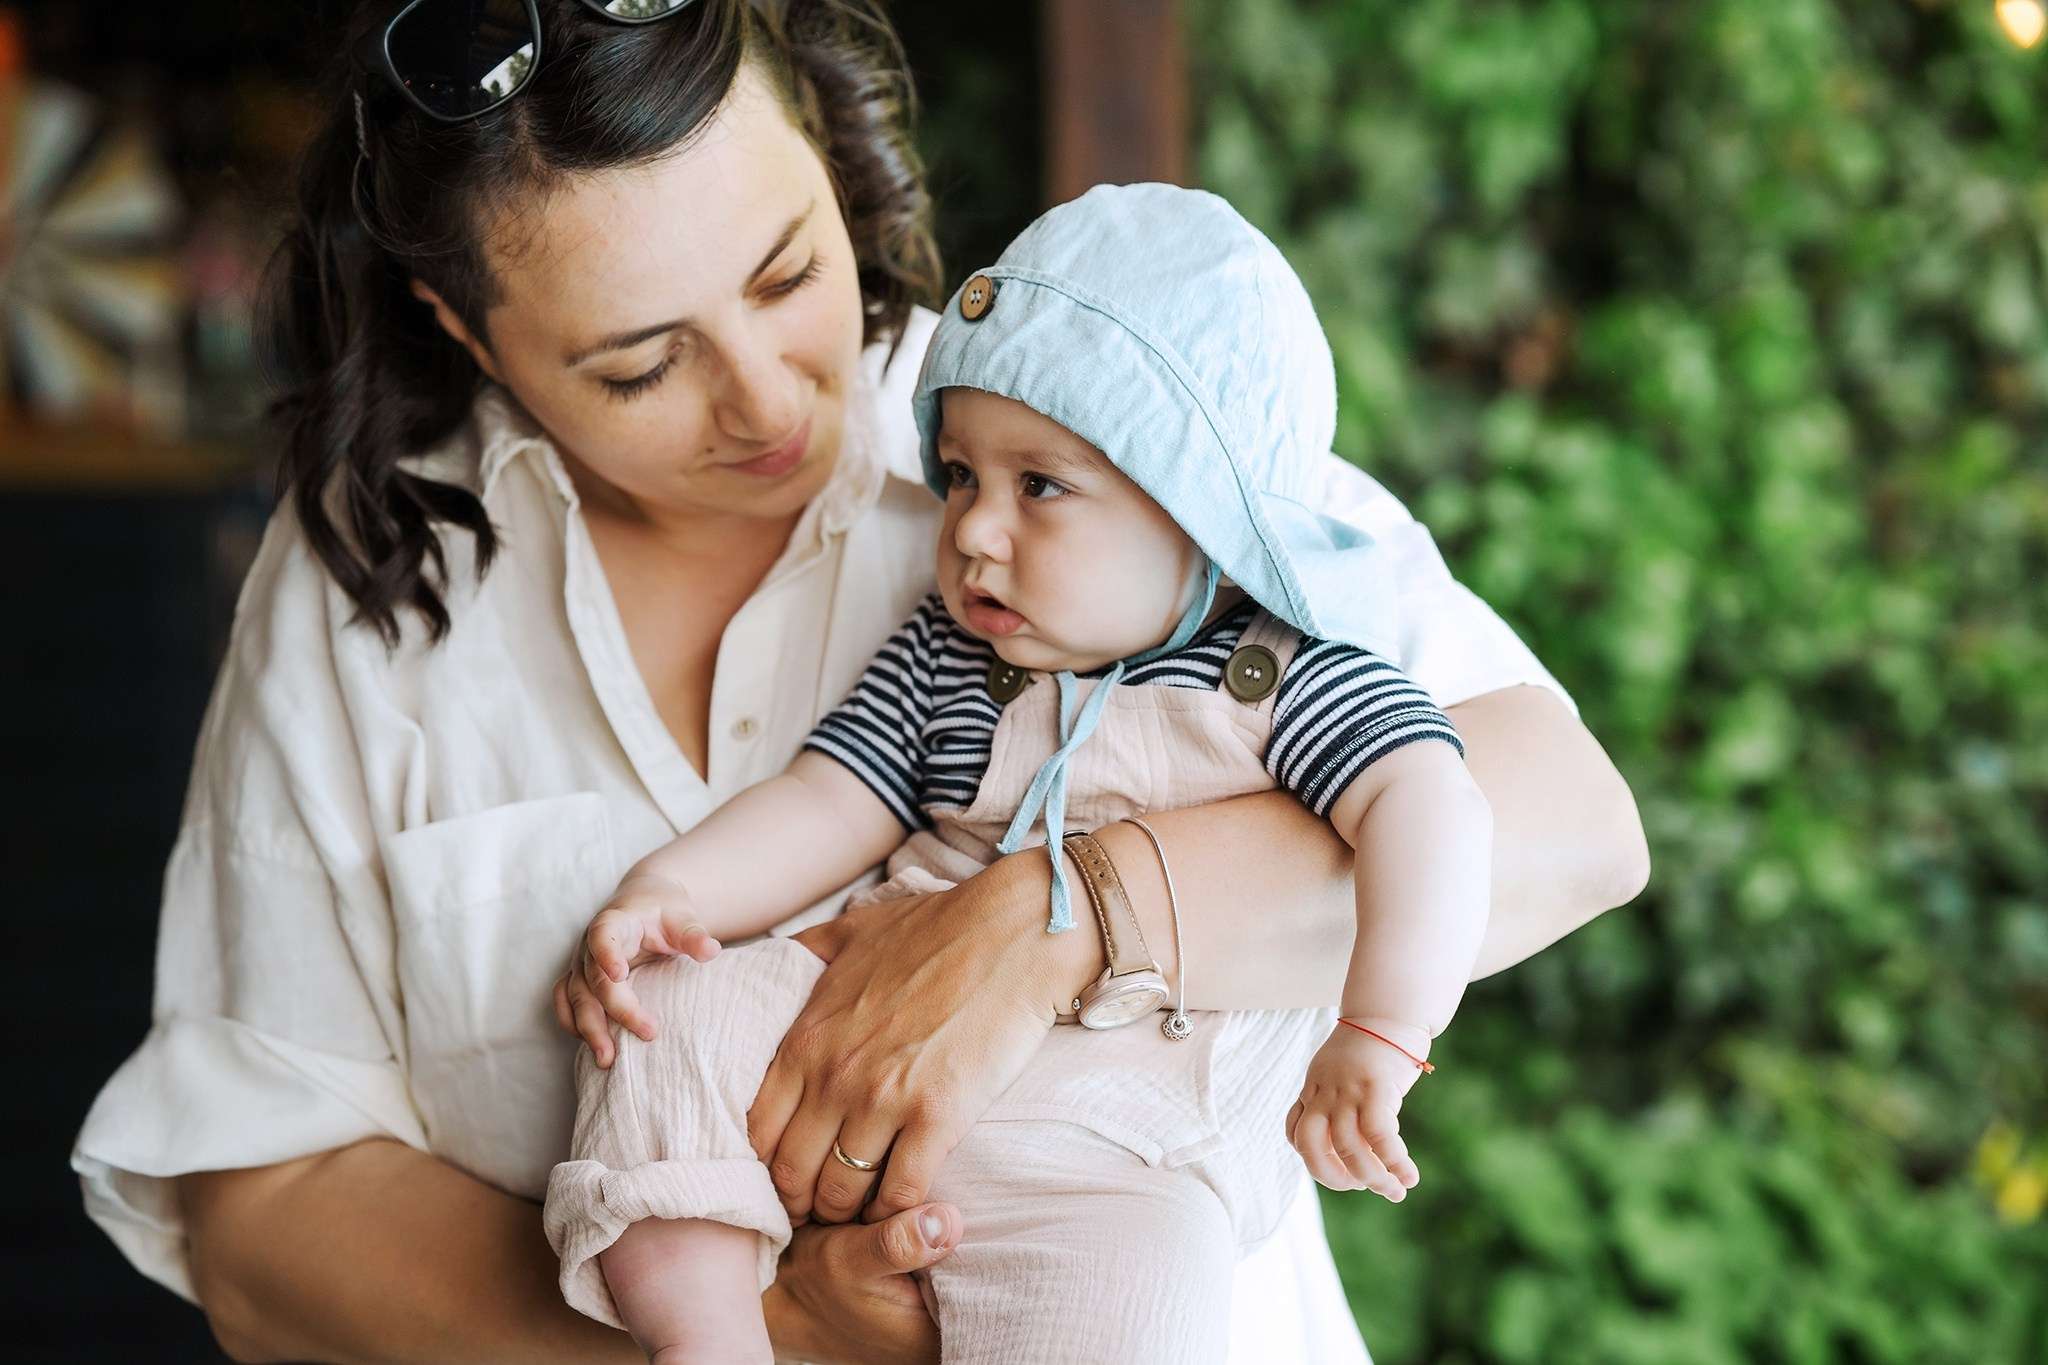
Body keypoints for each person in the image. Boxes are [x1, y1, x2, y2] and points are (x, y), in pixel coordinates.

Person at [69, 3, 1648, 1363]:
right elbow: (260, 1217)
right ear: (463, 328)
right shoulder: (374, 572)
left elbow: (1571, 827)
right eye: (638, 364)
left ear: (829, 157)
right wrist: (780, 1330)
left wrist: (1065, 913)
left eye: (786, 276)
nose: (766, 403)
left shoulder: (1100, 424)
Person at [543, 183, 1497, 1365]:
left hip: (1115, 1156)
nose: (972, 530)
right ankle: (706, 1335)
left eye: (1037, 486)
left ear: (1198, 507)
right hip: (860, 1051)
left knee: (1153, 1282)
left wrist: (1383, 1030)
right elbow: (829, 795)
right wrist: (669, 895)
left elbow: (1429, 802)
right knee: (662, 1013)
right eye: (958, 475)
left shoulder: (1285, 679)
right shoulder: (954, 656)